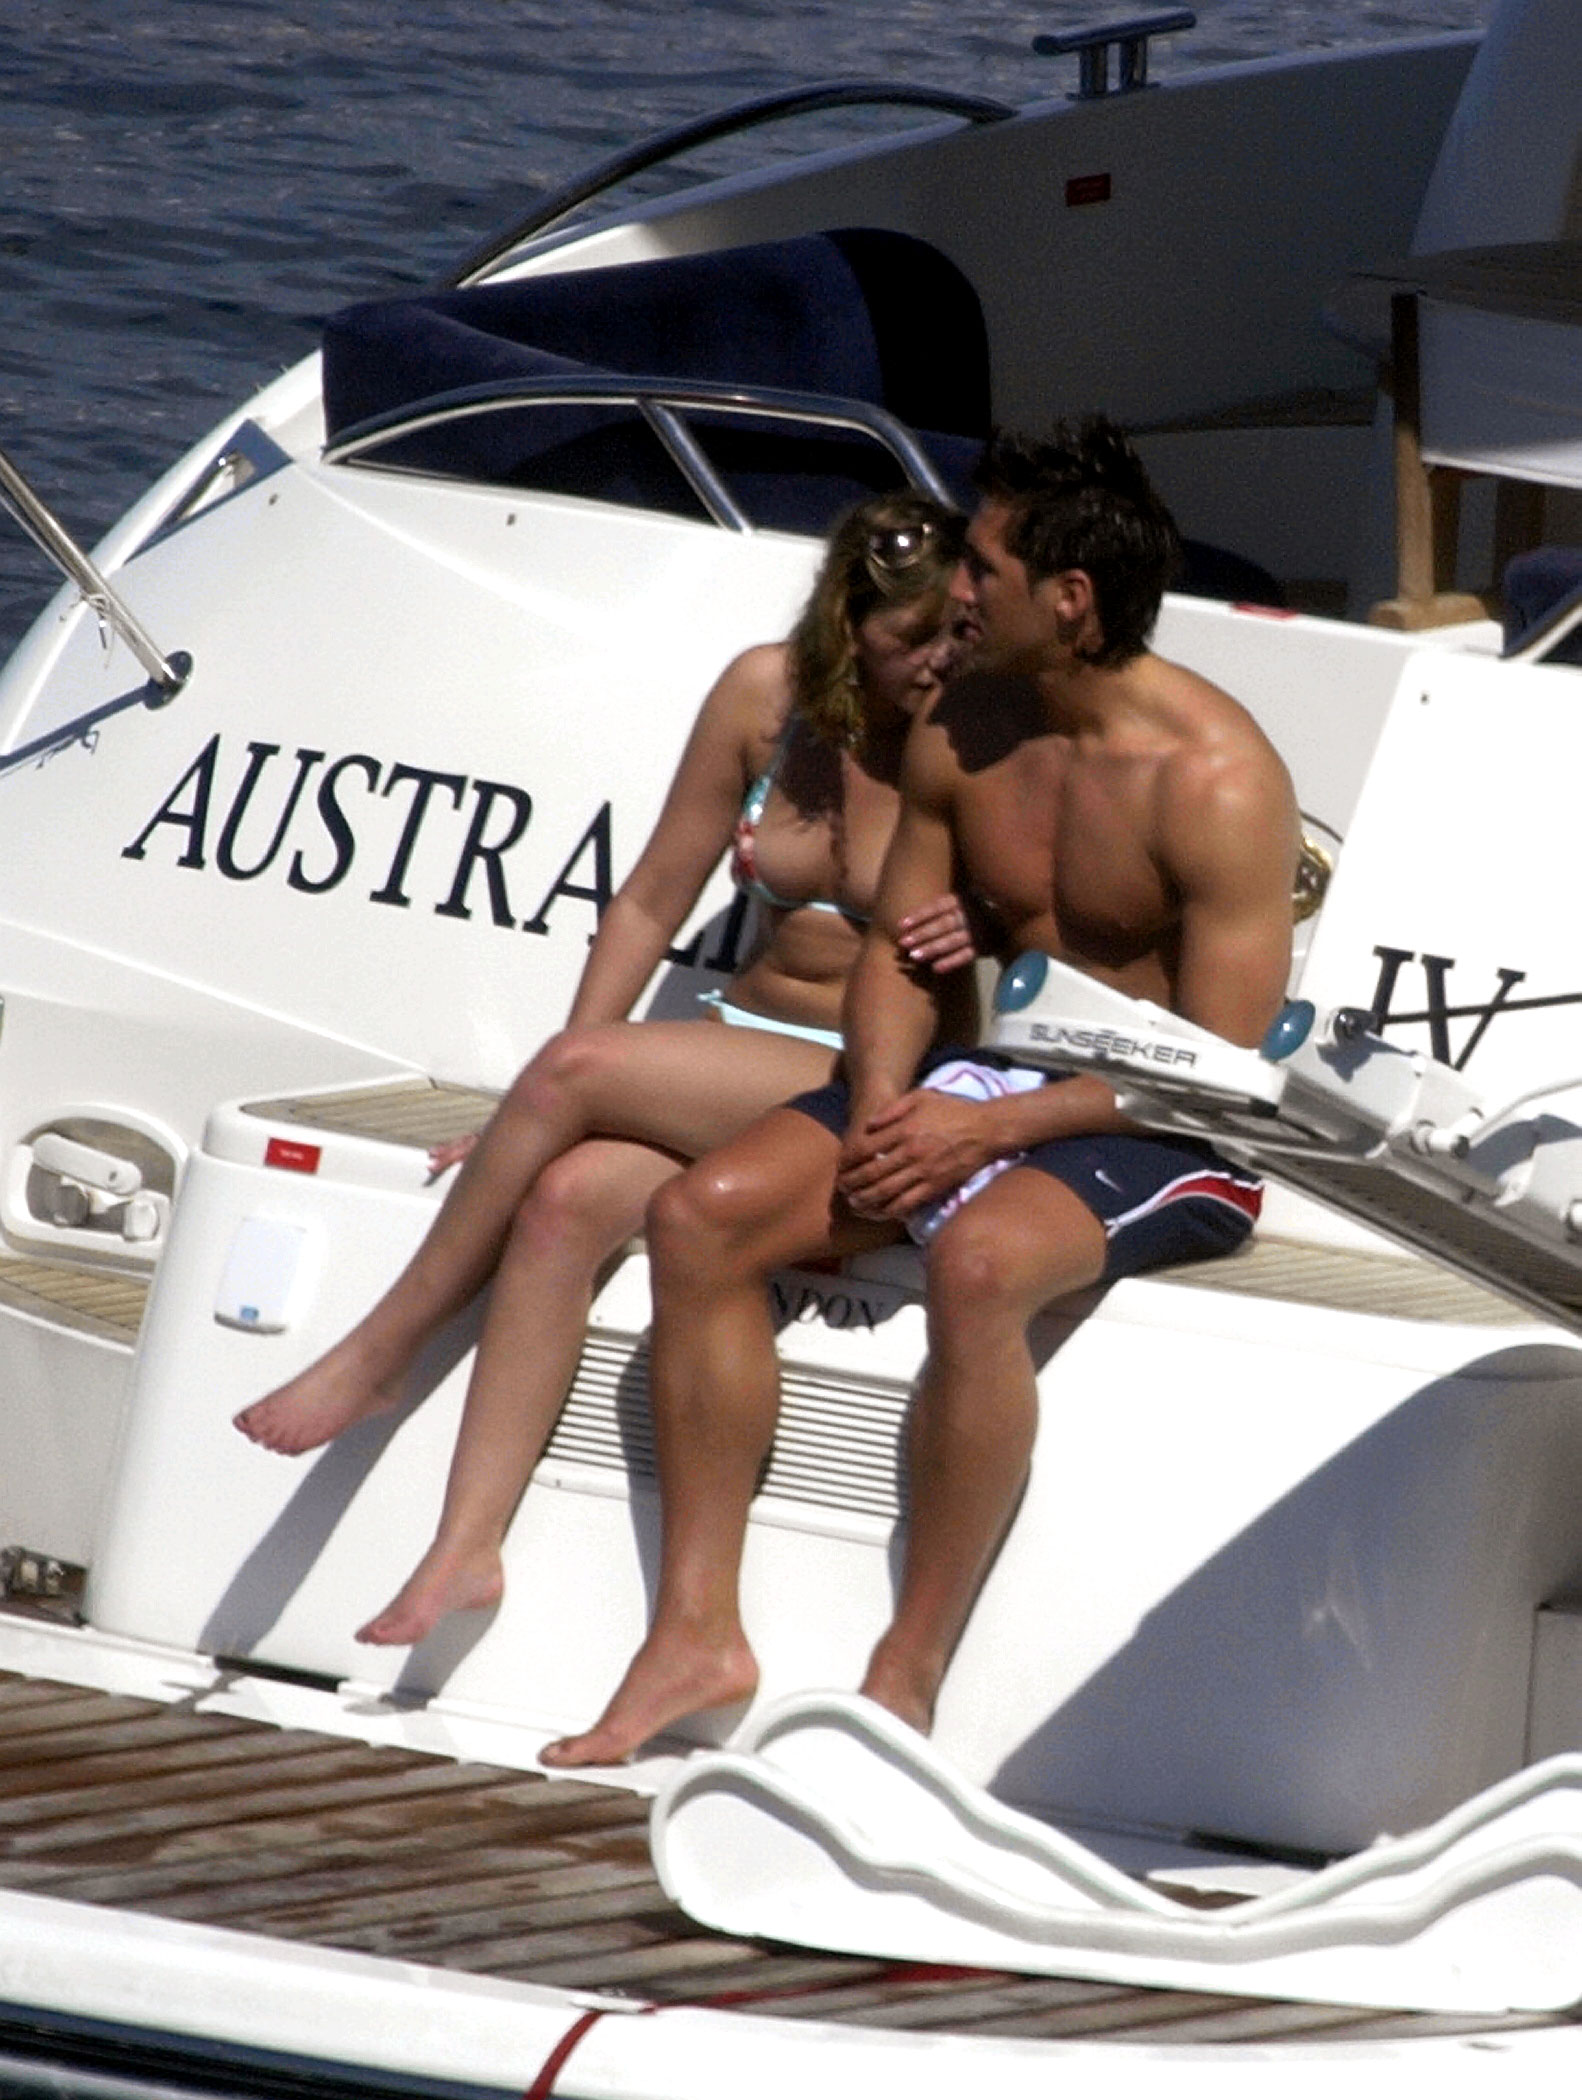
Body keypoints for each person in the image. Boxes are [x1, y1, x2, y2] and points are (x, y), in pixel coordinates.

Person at [541, 418, 1300, 1768]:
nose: (959, 587)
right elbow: (900, 948)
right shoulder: (966, 721)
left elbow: (1215, 1072)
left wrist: (989, 1128)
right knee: (701, 1218)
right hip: (972, 1083)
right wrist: (891, 1101)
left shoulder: (1216, 782)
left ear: (1070, 601)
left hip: (1155, 1120)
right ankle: (693, 1633)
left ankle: (906, 1673)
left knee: (980, 1264)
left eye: (987, 568)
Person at [233, 490, 979, 1648]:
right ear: (846, 624)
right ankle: (464, 1549)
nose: (938, 660)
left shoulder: (984, 734)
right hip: (742, 1045)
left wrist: (984, 926)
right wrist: (553, 1102)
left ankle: (381, 1353)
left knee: (571, 1073)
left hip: (875, 1074)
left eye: (955, 632)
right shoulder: (766, 698)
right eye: (911, 637)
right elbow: (647, 900)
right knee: (562, 1199)